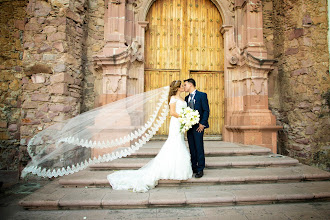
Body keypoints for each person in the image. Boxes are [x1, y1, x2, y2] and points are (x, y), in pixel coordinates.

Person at [107, 80, 193, 192]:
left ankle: (175, 168)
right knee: (174, 143)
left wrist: (186, 117)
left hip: (180, 122)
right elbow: (172, 112)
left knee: (179, 142)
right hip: (176, 123)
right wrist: (185, 117)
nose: (183, 87)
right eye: (181, 86)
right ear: (177, 88)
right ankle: (169, 169)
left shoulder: (182, 99)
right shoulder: (173, 99)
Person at [184, 78, 210, 178]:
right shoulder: (186, 98)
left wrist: (202, 124)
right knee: (192, 147)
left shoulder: (202, 95)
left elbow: (206, 110)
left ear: (190, 85)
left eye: (185, 85)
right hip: (190, 127)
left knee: (199, 147)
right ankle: (194, 167)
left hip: (199, 127)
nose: (184, 87)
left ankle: (200, 169)